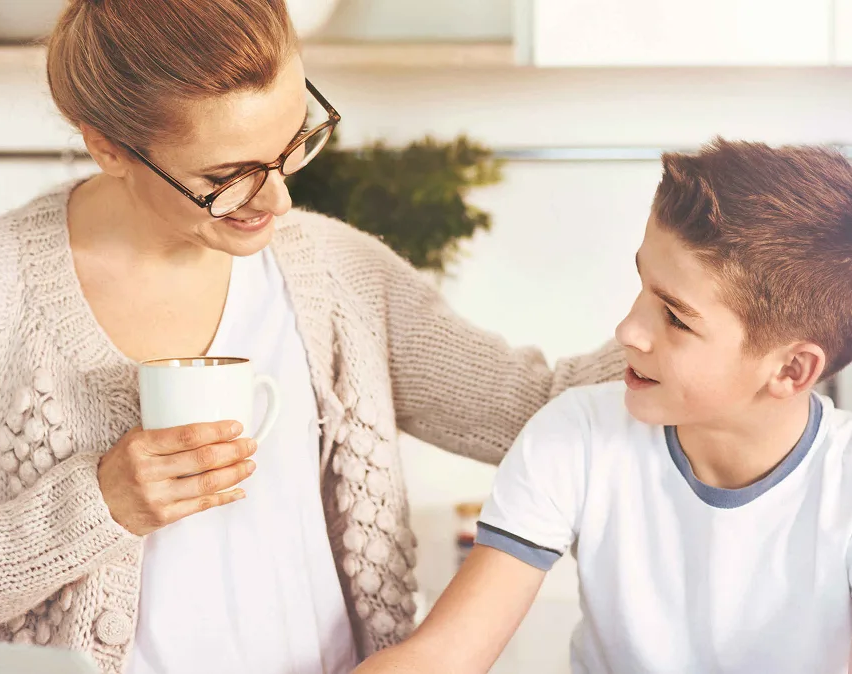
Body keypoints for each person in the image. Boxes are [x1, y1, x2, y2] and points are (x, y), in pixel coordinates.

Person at [0, 1, 624, 673]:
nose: (276, 200)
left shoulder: (338, 275)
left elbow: (545, 409)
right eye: (225, 178)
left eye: (292, 146)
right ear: (108, 145)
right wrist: (98, 504)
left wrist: (710, 307)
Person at [355, 138, 852, 674]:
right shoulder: (577, 434)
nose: (627, 331)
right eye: (643, 286)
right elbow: (444, 657)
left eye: (677, 319)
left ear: (791, 371)